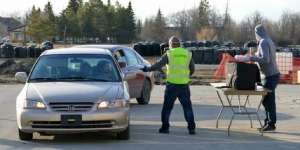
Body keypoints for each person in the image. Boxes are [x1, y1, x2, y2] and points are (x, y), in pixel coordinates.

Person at [141, 36, 196, 135]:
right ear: (179, 44)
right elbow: (192, 69)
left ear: (170, 45)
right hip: (184, 85)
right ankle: (191, 129)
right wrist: (186, 76)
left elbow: (158, 65)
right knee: (187, 107)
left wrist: (147, 69)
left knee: (167, 108)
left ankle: (165, 128)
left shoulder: (169, 54)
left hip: (172, 86)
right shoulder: (187, 54)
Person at [235, 24, 280, 132]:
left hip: (270, 75)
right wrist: (251, 55)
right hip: (271, 74)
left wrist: (250, 58)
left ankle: (271, 123)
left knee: (268, 100)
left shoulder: (264, 42)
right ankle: (268, 122)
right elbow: (262, 55)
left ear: (257, 33)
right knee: (267, 100)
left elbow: (265, 59)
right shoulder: (268, 40)